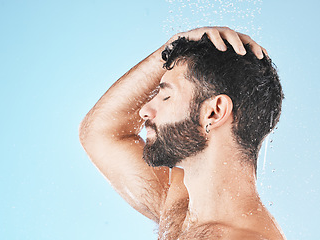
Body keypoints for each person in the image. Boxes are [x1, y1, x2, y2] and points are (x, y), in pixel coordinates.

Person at [79, 26, 286, 240]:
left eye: (166, 97)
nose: (144, 110)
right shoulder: (180, 203)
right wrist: (169, 48)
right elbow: (101, 131)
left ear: (214, 113)